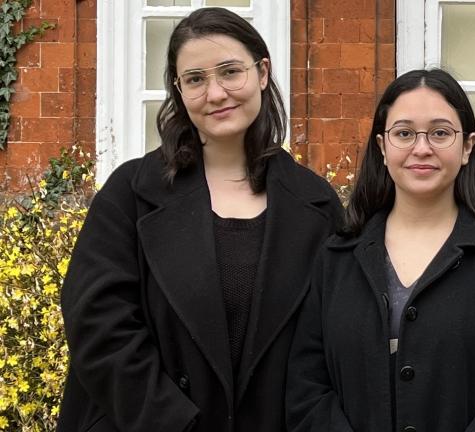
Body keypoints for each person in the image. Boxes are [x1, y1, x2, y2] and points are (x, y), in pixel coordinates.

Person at [58, 8, 342, 432]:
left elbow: (331, 346)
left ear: (262, 72)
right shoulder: (130, 195)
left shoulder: (317, 206)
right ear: (178, 89)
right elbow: (99, 327)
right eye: (195, 79)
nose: (215, 93)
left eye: (230, 71)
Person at [285, 68, 475, 432]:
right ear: (382, 147)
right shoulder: (337, 256)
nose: (421, 148)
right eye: (404, 133)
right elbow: (307, 386)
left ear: (468, 146)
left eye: (440, 133)